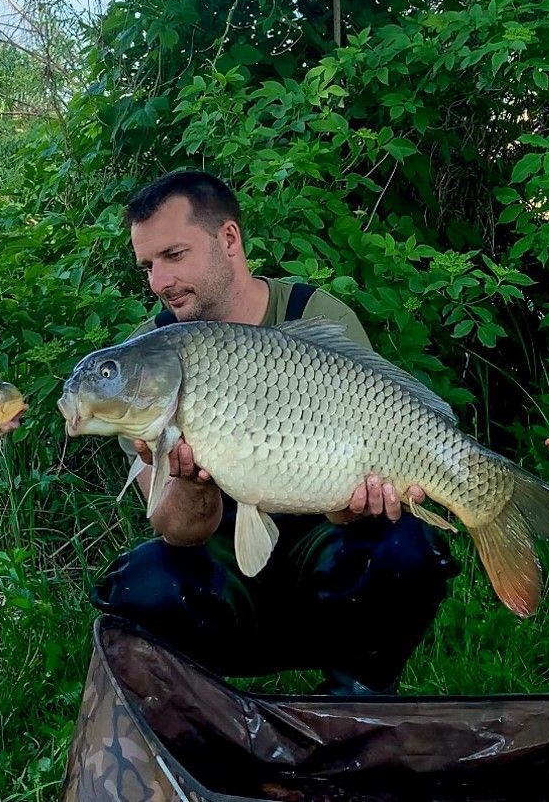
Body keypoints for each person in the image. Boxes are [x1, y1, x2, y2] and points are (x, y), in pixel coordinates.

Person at [88, 170, 461, 696]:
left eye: (174, 255)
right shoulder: (147, 363)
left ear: (229, 239)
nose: (159, 282)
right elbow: (176, 530)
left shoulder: (316, 317)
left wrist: (354, 503)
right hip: (227, 576)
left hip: (325, 558)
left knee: (405, 545)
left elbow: (349, 491)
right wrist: (192, 485)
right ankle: (210, 714)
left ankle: (353, 699)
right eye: (148, 265)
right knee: (138, 585)